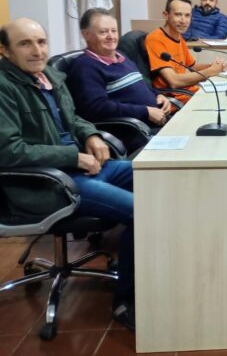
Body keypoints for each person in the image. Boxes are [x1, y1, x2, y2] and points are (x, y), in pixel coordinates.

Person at [0, 18, 136, 330]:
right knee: (140, 211)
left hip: (82, 167)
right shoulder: (4, 87)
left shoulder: (48, 75)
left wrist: (91, 135)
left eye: (41, 42)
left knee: (154, 176)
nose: (37, 51)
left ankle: (146, 265)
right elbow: (9, 151)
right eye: (25, 44)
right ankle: (126, 302)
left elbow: (73, 118)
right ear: (5, 51)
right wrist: (72, 156)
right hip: (48, 183)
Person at [66, 9, 172, 151]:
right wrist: (145, 111)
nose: (111, 36)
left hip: (157, 121)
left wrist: (158, 95)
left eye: (114, 31)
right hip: (135, 133)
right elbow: (97, 108)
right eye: (103, 32)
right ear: (86, 34)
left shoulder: (121, 56)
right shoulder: (84, 66)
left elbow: (141, 84)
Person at [145, 0, 227, 103]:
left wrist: (215, 66)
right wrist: (210, 71)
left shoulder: (179, 37)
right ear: (166, 15)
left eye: (187, 15)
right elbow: (174, 81)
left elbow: (192, 67)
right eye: (178, 14)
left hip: (191, 93)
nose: (183, 20)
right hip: (176, 100)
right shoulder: (156, 39)